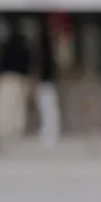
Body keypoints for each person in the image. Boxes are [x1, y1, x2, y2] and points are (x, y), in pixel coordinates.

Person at [0, 25, 33, 149]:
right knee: (17, 107)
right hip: (18, 78)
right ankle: (14, 132)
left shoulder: (5, 48)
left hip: (6, 78)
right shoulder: (24, 49)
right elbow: (27, 64)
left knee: (4, 107)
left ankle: (2, 130)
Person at [34, 15, 65, 145]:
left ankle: (50, 132)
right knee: (50, 109)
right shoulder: (50, 55)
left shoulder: (45, 56)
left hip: (46, 84)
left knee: (47, 109)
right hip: (49, 84)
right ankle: (50, 132)